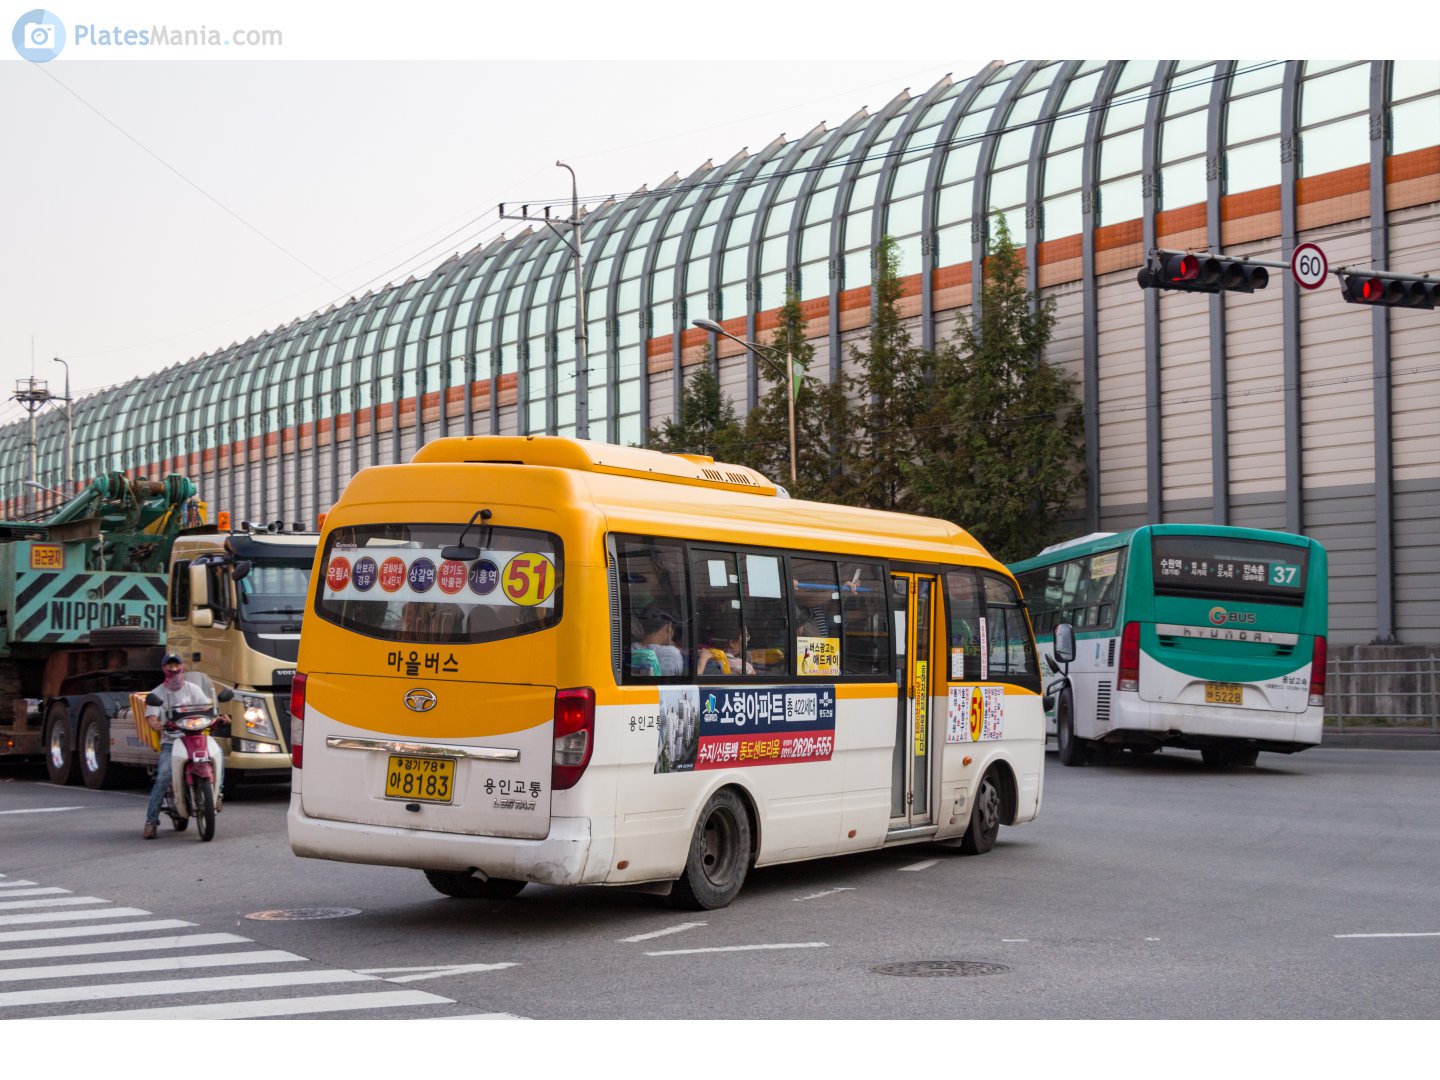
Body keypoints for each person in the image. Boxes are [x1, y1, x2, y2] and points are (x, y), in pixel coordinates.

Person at [142, 653, 223, 839]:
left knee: (218, 755)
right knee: (163, 777)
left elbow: (207, 708)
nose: (173, 668)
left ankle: (218, 796)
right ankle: (151, 821)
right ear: (164, 668)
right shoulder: (157, 693)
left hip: (196, 735)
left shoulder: (193, 689)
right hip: (172, 741)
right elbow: (152, 718)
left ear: (181, 666)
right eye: (169, 665)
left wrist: (218, 717)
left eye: (175, 664)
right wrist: (155, 724)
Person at [637, 605, 685, 676]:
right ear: (668, 627)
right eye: (674, 629)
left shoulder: (633, 648)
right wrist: (702, 661)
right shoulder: (672, 653)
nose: (673, 634)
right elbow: (688, 684)